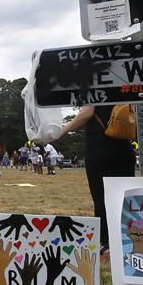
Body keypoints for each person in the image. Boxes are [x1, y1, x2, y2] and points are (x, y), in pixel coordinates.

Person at [57, 105, 135, 261]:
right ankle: (129, 241)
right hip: (124, 144)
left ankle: (105, 243)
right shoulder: (125, 85)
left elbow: (87, 112)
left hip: (99, 144)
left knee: (101, 198)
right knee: (125, 198)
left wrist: (61, 131)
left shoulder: (94, 85)